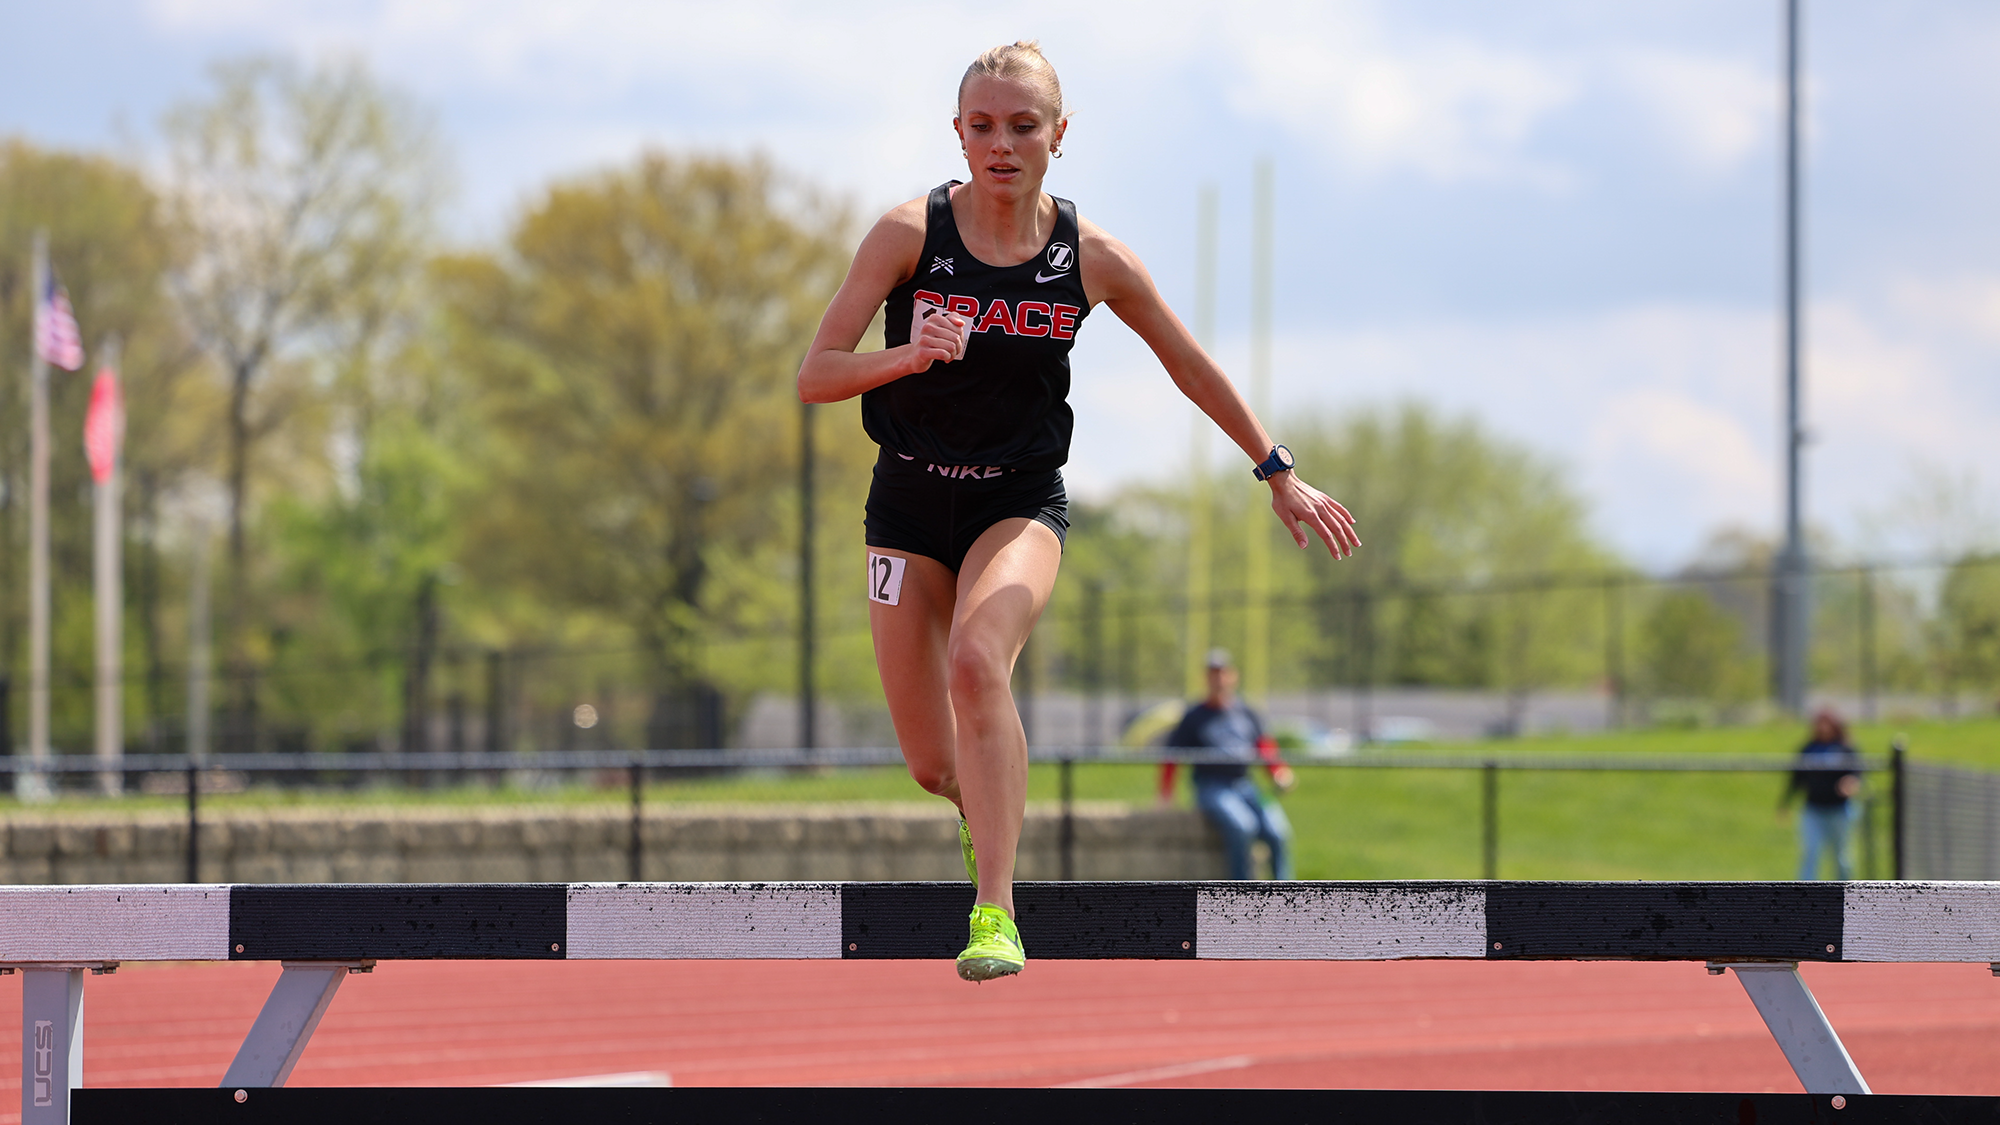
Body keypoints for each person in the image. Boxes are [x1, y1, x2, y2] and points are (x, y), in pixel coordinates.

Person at [796, 41, 1359, 982]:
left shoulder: (1088, 257)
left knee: (980, 662)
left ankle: (997, 911)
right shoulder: (907, 234)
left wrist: (1275, 468)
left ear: (1060, 134)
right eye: (983, 126)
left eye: (1023, 126)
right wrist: (909, 353)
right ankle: (982, 817)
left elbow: (1188, 362)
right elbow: (816, 375)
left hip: (1016, 504)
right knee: (933, 765)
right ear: (959, 133)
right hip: (905, 504)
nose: (1002, 145)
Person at [1159, 650, 1296, 880]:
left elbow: (1264, 747)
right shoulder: (1194, 716)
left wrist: (1278, 772)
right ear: (1206, 678)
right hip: (1212, 787)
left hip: (1245, 785)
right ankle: (1240, 896)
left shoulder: (1246, 712)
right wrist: (1165, 794)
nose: (1218, 680)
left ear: (1232, 676)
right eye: (1213, 674)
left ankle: (1288, 897)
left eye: (1222, 673)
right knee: (1243, 827)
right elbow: (1172, 755)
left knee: (1277, 831)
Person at [1779, 708, 1863, 880]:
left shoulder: (1845, 749)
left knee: (1842, 857)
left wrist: (1850, 783)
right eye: (1820, 723)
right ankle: (1805, 895)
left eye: (1827, 723)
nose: (1823, 727)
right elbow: (1796, 779)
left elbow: (1857, 774)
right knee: (1810, 852)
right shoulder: (1809, 749)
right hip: (1813, 810)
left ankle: (1845, 897)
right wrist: (1785, 804)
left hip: (1840, 810)